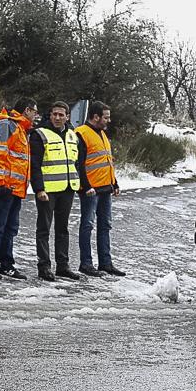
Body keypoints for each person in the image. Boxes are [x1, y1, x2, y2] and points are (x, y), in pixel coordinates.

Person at [0, 98, 38, 280]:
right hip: (3, 188)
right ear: (27, 110)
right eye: (34, 111)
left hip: (14, 189)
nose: (36, 115)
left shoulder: (21, 128)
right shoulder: (6, 125)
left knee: (10, 228)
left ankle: (6, 265)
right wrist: (0, 183)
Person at [29, 101, 82, 282]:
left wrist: (79, 183)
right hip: (47, 191)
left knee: (63, 229)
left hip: (67, 189)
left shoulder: (73, 136)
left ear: (67, 116)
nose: (58, 117)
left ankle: (63, 266)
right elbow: (34, 165)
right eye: (54, 114)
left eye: (61, 115)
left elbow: (77, 163)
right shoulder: (39, 134)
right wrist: (38, 189)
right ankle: (44, 266)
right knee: (43, 229)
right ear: (49, 115)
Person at [75, 102, 125, 277]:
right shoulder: (81, 133)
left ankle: (105, 263)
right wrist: (86, 186)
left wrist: (114, 183)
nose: (108, 120)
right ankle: (86, 264)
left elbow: (107, 161)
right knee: (87, 225)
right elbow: (78, 163)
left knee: (105, 226)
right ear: (95, 117)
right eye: (106, 117)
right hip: (90, 190)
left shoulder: (102, 134)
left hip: (105, 188)